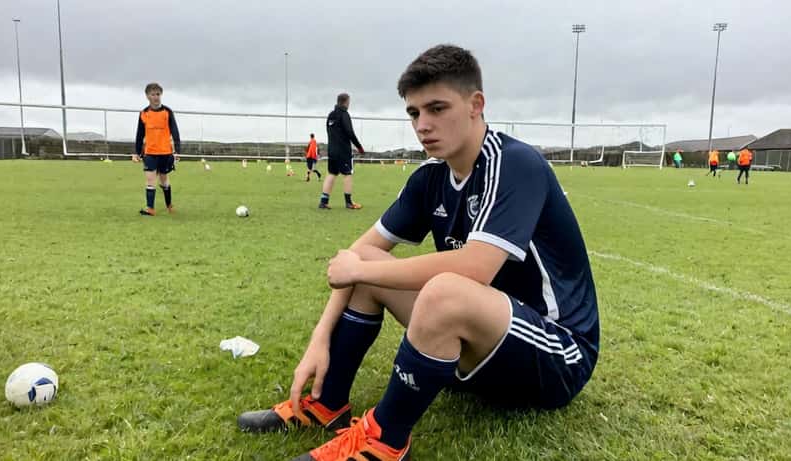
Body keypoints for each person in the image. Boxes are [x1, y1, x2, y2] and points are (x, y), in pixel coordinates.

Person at [237, 44, 600, 461]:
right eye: (414, 113)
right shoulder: (430, 177)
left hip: (558, 356)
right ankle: (327, 401)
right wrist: (321, 336)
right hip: (483, 351)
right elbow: (356, 257)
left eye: (437, 108)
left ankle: (386, 441)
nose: (423, 124)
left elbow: (475, 267)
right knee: (371, 265)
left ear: (475, 104)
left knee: (444, 289)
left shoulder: (516, 163)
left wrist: (363, 269)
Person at [133, 82, 180, 216]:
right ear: (147, 96)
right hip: (150, 152)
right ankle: (150, 208)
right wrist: (137, 152)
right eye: (153, 94)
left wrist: (177, 151)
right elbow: (139, 134)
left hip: (166, 152)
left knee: (164, 179)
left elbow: (175, 132)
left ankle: (169, 205)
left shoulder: (167, 112)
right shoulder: (144, 113)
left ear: (161, 95)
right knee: (150, 179)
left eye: (158, 94)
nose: (156, 97)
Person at [319, 93, 364, 209]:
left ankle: (323, 202)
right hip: (343, 151)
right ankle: (349, 202)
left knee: (332, 174)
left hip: (332, 151)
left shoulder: (331, 115)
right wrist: (359, 147)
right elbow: (350, 132)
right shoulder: (344, 115)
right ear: (346, 102)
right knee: (347, 174)